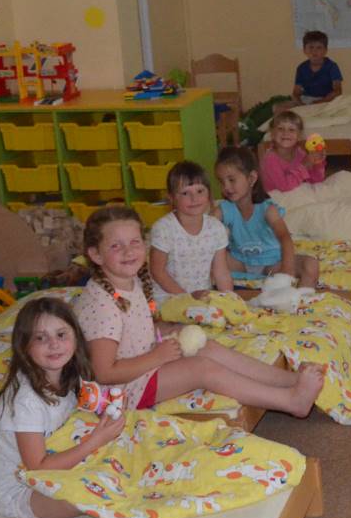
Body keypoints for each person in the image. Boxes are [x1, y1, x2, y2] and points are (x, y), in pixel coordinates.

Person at [73, 204, 325, 417]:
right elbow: (104, 372)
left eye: (135, 242)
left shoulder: (129, 281)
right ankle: (290, 401)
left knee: (205, 346)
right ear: (95, 254)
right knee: (201, 368)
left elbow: (135, 329)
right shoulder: (102, 306)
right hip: (121, 391)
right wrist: (157, 357)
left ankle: (289, 381)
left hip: (142, 364)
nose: (129, 251)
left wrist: (167, 332)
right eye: (116, 246)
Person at [0, 296, 125, 518]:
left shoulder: (68, 374)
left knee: (131, 439)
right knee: (94, 492)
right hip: (23, 489)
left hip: (57, 461)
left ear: (76, 337)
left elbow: (87, 409)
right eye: (40, 338)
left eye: (61, 335)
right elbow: (38, 468)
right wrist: (96, 441)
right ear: (24, 346)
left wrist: (109, 410)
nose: (54, 344)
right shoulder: (26, 402)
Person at [213, 146, 319, 287]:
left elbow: (285, 237)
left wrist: (287, 269)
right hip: (240, 262)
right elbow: (206, 227)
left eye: (231, 180)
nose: (226, 187)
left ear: (251, 178)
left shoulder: (267, 209)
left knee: (311, 265)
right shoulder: (225, 208)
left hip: (271, 264)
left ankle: (299, 298)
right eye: (221, 182)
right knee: (210, 256)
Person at [149, 160, 234, 297]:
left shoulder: (216, 228)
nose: (194, 198)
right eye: (185, 193)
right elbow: (158, 272)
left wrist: (229, 299)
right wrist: (187, 298)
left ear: (209, 193)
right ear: (171, 198)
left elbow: (221, 273)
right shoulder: (163, 229)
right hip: (169, 298)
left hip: (201, 299)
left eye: (200, 191)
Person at [261, 109, 328, 193]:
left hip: (295, 193)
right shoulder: (270, 159)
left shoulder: (300, 153)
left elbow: (316, 181)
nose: (285, 133)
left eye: (291, 130)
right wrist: (304, 166)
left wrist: (317, 163)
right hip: (275, 197)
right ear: (272, 134)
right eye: (280, 129)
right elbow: (284, 187)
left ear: (299, 136)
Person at [292, 30, 343, 104]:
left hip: (327, 100)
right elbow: (296, 93)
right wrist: (300, 104)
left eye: (319, 48)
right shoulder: (301, 68)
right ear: (304, 50)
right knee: (279, 107)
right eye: (311, 47)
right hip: (307, 99)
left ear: (325, 50)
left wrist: (321, 101)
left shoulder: (332, 66)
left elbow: (338, 91)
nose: (314, 51)